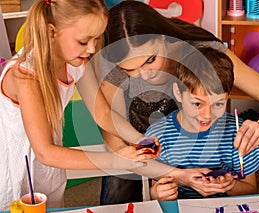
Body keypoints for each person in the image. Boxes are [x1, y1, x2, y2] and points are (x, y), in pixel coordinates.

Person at [99, 0, 259, 204]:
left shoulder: (203, 53)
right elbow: (114, 134)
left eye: (150, 60)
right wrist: (153, 164)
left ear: (163, 37)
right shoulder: (113, 67)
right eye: (130, 70)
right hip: (138, 144)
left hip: (199, 139)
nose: (145, 76)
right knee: (118, 201)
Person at [0, 0, 160, 210]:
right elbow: (45, 152)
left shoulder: (76, 61)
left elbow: (102, 113)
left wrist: (140, 140)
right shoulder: (26, 77)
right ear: (51, 32)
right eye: (84, 41)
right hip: (13, 168)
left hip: (47, 167)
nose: (92, 48)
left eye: (96, 39)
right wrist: (117, 160)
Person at [147, 47, 259, 201]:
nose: (207, 115)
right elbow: (155, 190)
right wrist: (157, 194)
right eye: (197, 104)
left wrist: (231, 186)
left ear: (227, 97)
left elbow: (250, 188)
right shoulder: (157, 134)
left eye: (218, 104)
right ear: (178, 93)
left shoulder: (239, 133)